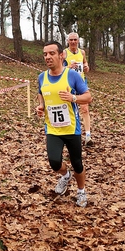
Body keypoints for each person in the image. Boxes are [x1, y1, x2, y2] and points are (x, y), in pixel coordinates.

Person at [36, 41, 92, 208]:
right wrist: (41, 107)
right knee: (54, 162)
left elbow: (88, 97)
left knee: (77, 163)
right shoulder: (42, 77)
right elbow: (41, 93)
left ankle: (81, 191)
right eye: (45, 54)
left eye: (51, 53)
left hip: (71, 128)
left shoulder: (72, 75)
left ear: (61, 55)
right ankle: (65, 175)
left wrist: (73, 98)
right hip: (52, 128)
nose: (47, 57)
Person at [63, 32, 93, 146]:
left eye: (75, 40)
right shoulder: (64, 53)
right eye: (71, 40)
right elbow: (58, 68)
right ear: (68, 41)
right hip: (69, 83)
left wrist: (86, 67)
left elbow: (85, 65)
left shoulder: (82, 52)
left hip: (81, 83)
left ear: (78, 41)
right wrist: (68, 67)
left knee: (85, 108)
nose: (73, 42)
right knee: (71, 109)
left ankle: (88, 136)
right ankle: (72, 134)